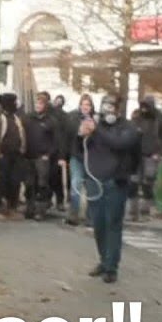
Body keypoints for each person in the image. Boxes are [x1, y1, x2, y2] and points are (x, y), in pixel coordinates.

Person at [83, 94, 141, 284]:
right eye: (105, 106)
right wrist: (81, 134)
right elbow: (79, 148)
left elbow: (120, 144)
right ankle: (103, 260)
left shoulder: (128, 128)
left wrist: (97, 130)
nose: (108, 111)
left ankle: (111, 267)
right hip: (95, 180)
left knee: (113, 224)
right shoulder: (96, 127)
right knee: (98, 224)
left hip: (116, 181)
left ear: (118, 109)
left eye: (112, 107)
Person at [130, 95, 162, 221]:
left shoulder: (161, 118)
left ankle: (145, 210)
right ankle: (133, 211)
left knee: (147, 183)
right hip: (136, 153)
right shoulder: (136, 116)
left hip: (152, 154)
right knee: (133, 182)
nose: (144, 109)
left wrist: (160, 153)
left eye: (146, 106)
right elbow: (131, 132)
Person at [0, 93, 26, 219]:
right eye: (14, 102)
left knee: (15, 181)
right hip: (2, 155)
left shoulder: (16, 118)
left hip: (16, 155)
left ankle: (12, 207)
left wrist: (22, 150)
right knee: (1, 181)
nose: (16, 104)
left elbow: (21, 134)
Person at [22, 91, 59, 221]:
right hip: (28, 156)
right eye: (37, 103)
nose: (38, 105)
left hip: (42, 157)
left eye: (41, 103)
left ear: (45, 106)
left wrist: (48, 154)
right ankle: (29, 208)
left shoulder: (51, 121)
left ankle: (41, 210)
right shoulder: (27, 118)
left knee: (42, 184)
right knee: (29, 184)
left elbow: (55, 141)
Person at [63, 95, 95, 226]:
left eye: (88, 105)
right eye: (83, 104)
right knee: (76, 184)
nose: (85, 107)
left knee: (91, 187)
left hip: (92, 158)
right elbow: (67, 136)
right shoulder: (73, 118)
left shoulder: (96, 119)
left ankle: (90, 217)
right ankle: (73, 214)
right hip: (77, 156)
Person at [49, 95, 68, 211]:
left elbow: (64, 136)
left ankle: (57, 201)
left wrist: (62, 154)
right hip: (52, 149)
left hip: (56, 149)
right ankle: (57, 201)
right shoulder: (60, 115)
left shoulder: (62, 116)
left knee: (54, 177)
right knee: (53, 177)